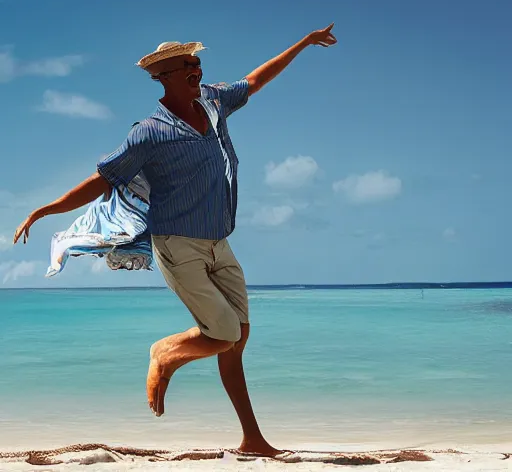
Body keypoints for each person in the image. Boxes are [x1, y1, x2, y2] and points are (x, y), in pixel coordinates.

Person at [13, 23, 337, 457]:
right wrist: (45, 209)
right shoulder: (148, 132)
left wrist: (303, 42)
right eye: (186, 65)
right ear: (162, 77)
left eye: (197, 63)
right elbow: (102, 180)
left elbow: (257, 79)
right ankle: (164, 353)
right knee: (221, 335)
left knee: (237, 338)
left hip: (220, 241)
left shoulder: (215, 102)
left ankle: (252, 440)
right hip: (177, 246)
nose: (196, 70)